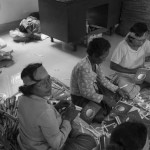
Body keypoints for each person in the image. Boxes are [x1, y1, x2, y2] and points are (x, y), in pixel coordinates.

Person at [17, 63, 97, 150]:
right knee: (89, 141)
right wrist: (68, 119)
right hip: (41, 147)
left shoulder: (21, 99)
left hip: (27, 142)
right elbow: (57, 145)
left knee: (72, 127)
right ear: (30, 87)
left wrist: (56, 107)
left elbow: (37, 118)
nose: (49, 84)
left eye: (48, 79)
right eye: (42, 83)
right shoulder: (46, 112)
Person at [70, 37, 126, 123]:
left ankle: (104, 103)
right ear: (94, 55)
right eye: (103, 57)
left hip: (91, 87)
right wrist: (104, 98)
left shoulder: (95, 63)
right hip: (80, 97)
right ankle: (94, 107)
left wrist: (117, 89)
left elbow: (102, 79)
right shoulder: (84, 68)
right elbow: (86, 93)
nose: (104, 60)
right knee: (99, 116)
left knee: (113, 93)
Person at [110, 22, 150, 99]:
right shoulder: (122, 47)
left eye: (144, 40)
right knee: (128, 93)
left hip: (140, 73)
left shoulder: (145, 42)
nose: (142, 43)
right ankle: (142, 85)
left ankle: (139, 86)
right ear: (131, 38)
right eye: (139, 40)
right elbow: (112, 65)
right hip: (123, 76)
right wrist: (132, 71)